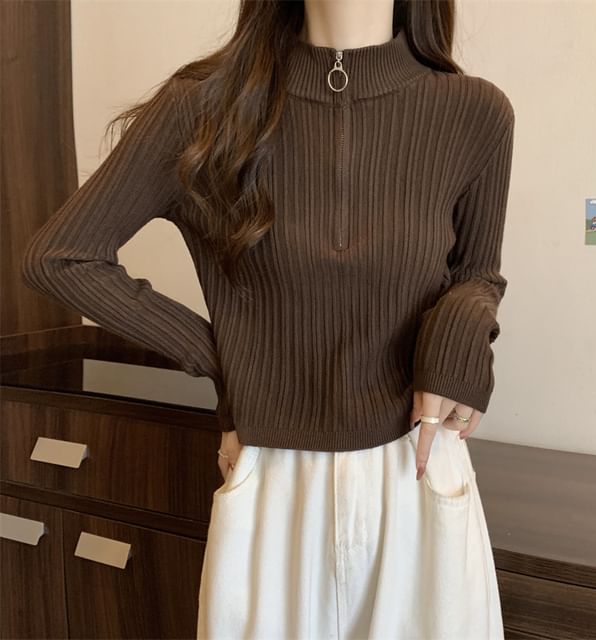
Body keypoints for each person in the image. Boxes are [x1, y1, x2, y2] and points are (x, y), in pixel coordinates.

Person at [21, 0, 515, 638]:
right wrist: (230, 362)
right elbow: (61, 258)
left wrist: (459, 337)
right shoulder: (203, 106)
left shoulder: (475, 111)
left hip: (417, 463)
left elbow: (477, 273)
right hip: (275, 473)